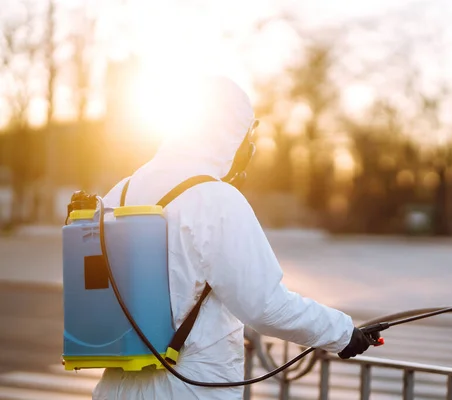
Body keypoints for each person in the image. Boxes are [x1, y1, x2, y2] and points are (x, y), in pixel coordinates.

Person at [92, 76, 378, 399]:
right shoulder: (215, 199)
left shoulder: (118, 192)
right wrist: (343, 333)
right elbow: (266, 306)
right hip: (188, 390)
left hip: (115, 389)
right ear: (231, 137)